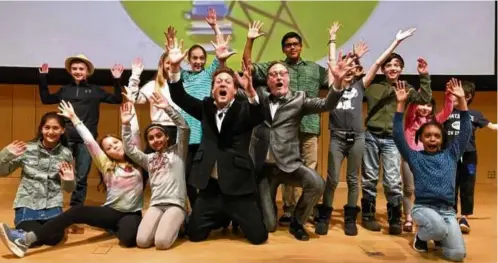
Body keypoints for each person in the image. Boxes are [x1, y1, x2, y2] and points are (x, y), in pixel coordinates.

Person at [0, 100, 144, 258]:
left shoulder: (138, 160)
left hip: (131, 213)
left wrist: (128, 120)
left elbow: (135, 135)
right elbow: (89, 141)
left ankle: (113, 227)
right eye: (108, 147)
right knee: (76, 211)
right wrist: (74, 118)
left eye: (116, 143)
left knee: (128, 239)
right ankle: (25, 239)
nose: (113, 147)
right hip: (108, 211)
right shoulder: (106, 164)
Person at [168, 36, 268, 245]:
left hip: (239, 188)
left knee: (259, 237)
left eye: (227, 82)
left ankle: (232, 215)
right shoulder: (205, 108)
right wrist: (175, 67)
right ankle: (221, 216)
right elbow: (179, 97)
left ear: (233, 91)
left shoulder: (244, 109)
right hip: (211, 189)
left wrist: (250, 91)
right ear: (212, 90)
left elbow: (259, 115)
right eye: (218, 82)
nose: (222, 84)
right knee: (194, 236)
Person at [251, 53, 355, 241]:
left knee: (316, 183)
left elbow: (326, 104)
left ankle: (297, 222)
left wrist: (338, 83)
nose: (278, 77)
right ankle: (269, 208)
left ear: (288, 78)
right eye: (273, 74)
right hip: (264, 169)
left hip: (288, 164)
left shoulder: (299, 99)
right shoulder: (259, 95)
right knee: (269, 226)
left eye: (282, 73)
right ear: (268, 80)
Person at [243, 21, 328, 224]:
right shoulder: (274, 68)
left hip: (308, 126)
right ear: (283, 49)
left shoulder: (315, 69)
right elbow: (247, 67)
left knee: (308, 170)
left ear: (301, 46)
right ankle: (288, 209)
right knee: (282, 167)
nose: (292, 47)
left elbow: (333, 81)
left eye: (295, 44)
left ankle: (303, 213)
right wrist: (250, 40)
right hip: (282, 131)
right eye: (288, 45)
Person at [361, 28, 433, 235]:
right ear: (383, 69)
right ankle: (367, 215)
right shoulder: (373, 87)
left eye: (396, 65)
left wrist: (424, 76)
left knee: (393, 181)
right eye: (389, 65)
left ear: (401, 68)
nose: (392, 68)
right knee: (369, 178)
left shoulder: (407, 88)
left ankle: (394, 219)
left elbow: (425, 99)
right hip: (371, 136)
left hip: (393, 139)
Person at [38, 55, 123, 223]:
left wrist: (117, 80)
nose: (78, 71)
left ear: (87, 72)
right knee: (59, 173)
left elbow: (117, 99)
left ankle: (76, 211)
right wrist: (43, 77)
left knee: (81, 176)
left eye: (81, 69)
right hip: (65, 139)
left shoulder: (95, 90)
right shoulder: (64, 90)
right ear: (70, 71)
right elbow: (46, 99)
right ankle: (52, 207)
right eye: (75, 69)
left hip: (86, 140)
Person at [393, 78, 468, 262]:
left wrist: (463, 101)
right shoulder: (415, 157)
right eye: (428, 136)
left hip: (448, 211)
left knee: (457, 254)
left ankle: (438, 234)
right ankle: (421, 236)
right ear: (421, 139)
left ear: (442, 140)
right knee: (439, 228)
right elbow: (397, 134)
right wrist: (400, 105)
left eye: (436, 136)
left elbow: (465, 131)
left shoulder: (451, 154)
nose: (432, 139)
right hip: (423, 208)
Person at [120, 93, 190, 250]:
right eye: (151, 138)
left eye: (159, 135)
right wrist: (125, 125)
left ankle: (182, 222)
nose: (156, 140)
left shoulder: (178, 151)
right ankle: (166, 223)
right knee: (142, 242)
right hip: (156, 204)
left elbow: (184, 128)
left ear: (166, 137)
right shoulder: (148, 159)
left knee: (162, 243)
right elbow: (129, 150)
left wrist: (167, 108)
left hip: (175, 204)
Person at [0, 112, 74, 249]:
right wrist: (5, 154)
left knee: (54, 238)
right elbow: (2, 172)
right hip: (28, 203)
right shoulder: (27, 148)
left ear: (62, 130)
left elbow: (69, 189)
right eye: (47, 127)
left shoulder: (66, 154)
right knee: (35, 242)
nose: (51, 132)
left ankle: (18, 236)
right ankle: (24, 235)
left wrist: (69, 180)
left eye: (55, 128)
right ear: (41, 129)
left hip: (52, 204)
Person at [443, 80, 498, 234]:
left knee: (467, 186)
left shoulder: (475, 115)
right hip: (449, 155)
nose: (452, 97)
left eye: (455, 94)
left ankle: (464, 217)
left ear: (467, 97)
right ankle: (450, 215)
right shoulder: (446, 113)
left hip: (469, 156)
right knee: (450, 186)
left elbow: (493, 127)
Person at [401, 84, 454, 232]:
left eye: (429, 105)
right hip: (411, 159)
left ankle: (425, 217)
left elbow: (447, 112)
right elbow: (411, 107)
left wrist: (448, 96)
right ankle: (408, 218)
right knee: (408, 189)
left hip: (427, 160)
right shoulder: (410, 119)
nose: (425, 108)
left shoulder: (433, 122)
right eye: (422, 104)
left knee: (424, 190)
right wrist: (419, 95)